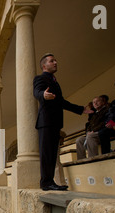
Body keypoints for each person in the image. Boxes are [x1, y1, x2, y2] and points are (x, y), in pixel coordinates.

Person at [33, 53, 93, 191]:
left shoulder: (55, 82)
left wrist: (81, 109)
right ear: (44, 65)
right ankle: (46, 182)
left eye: (55, 60)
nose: (55, 62)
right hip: (46, 121)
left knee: (53, 153)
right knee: (47, 152)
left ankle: (49, 182)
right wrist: (42, 95)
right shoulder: (40, 78)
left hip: (55, 122)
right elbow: (36, 91)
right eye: (51, 61)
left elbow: (61, 102)